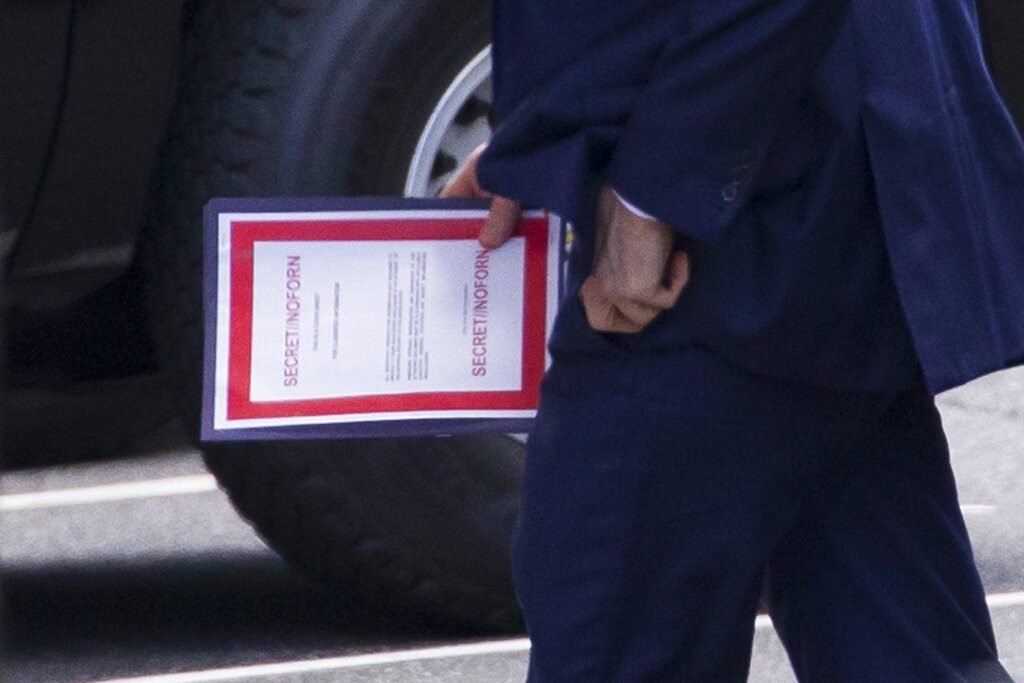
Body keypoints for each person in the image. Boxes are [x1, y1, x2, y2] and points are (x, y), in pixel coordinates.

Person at [442, 1, 1024, 680]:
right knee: (906, 649)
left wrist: (651, 193)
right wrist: (555, 133)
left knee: (617, 639)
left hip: (732, 245)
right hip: (830, 191)